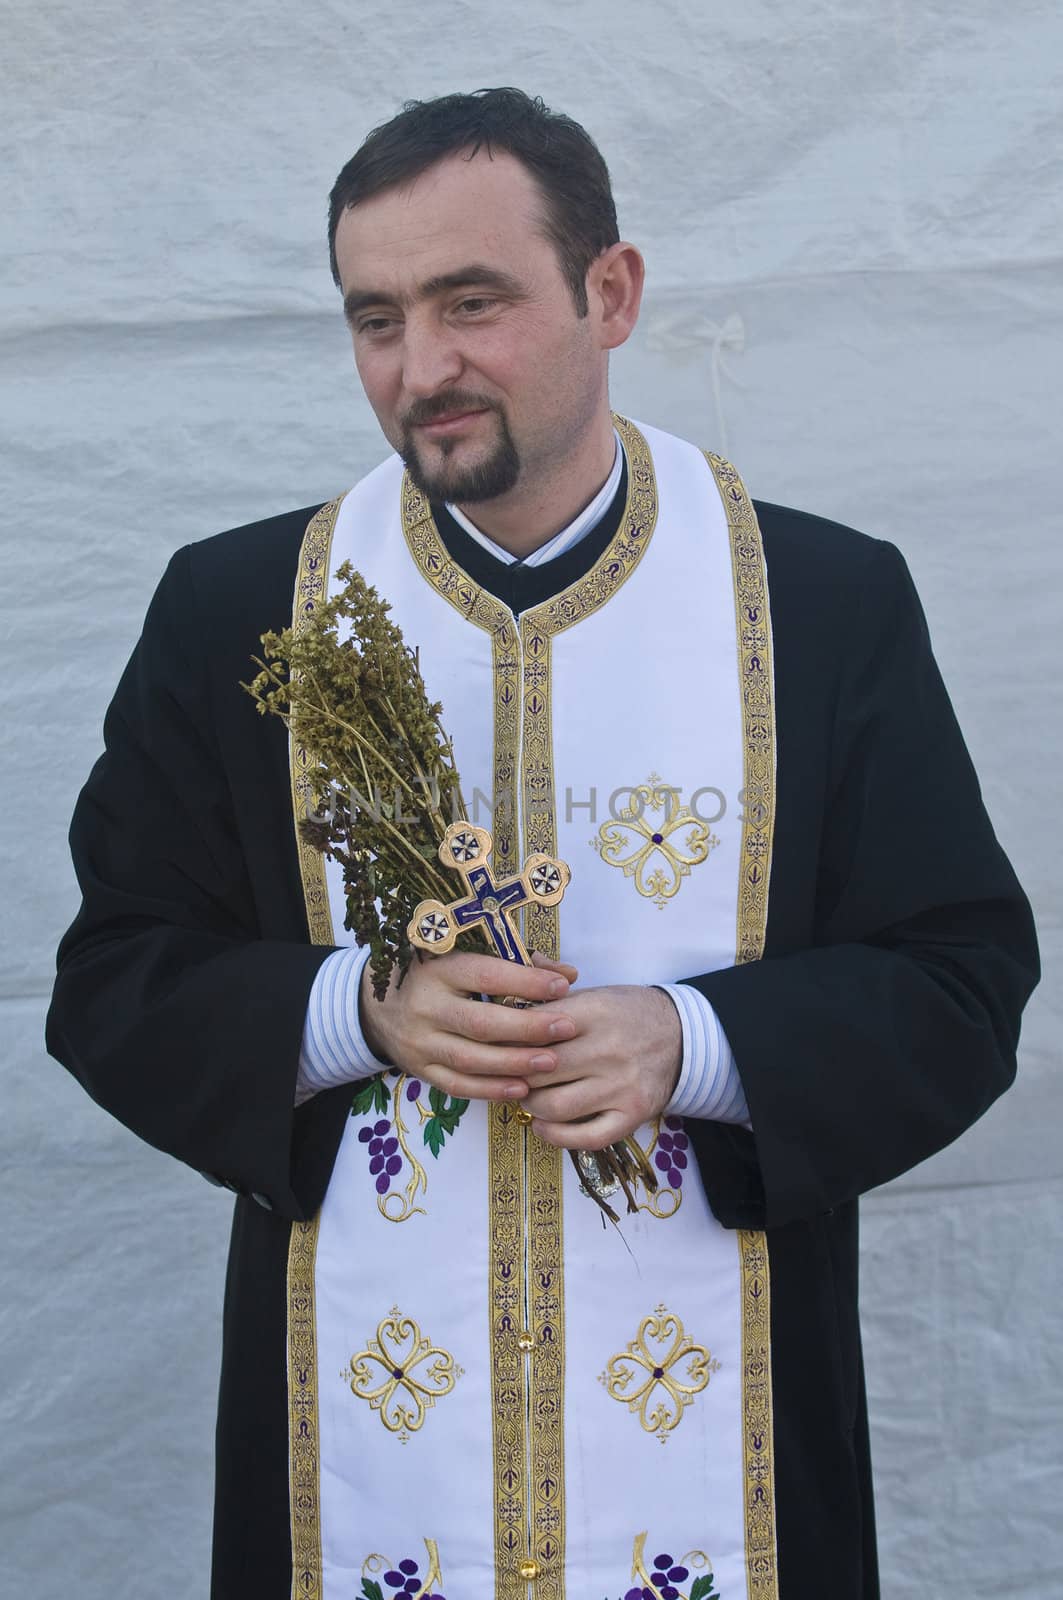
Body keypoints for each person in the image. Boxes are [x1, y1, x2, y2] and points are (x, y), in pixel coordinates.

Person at [47, 88, 1038, 1600]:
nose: (420, 368)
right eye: (376, 318)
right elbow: (116, 975)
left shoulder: (821, 606)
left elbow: (962, 980)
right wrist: (357, 1009)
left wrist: (690, 1046)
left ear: (611, 293)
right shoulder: (244, 609)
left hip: (728, 1445)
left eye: (473, 302)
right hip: (362, 1454)